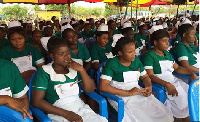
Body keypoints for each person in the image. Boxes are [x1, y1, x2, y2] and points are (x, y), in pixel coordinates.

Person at [31, 37, 107, 122]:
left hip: (80, 108)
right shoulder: (45, 72)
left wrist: (82, 70)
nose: (66, 57)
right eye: (61, 54)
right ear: (52, 56)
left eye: (68, 52)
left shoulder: (74, 68)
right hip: (58, 112)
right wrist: (67, 114)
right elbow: (36, 101)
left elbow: (90, 89)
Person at [100, 37, 174, 122]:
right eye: (130, 52)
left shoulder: (136, 61)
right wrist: (128, 93)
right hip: (120, 95)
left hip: (137, 92)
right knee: (140, 117)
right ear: (120, 53)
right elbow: (103, 86)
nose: (133, 54)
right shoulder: (112, 64)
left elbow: (145, 77)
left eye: (134, 51)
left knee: (161, 114)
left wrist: (148, 86)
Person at [141, 26, 197, 122]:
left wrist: (191, 73)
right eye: (164, 41)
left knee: (191, 94)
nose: (167, 43)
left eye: (168, 40)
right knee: (183, 101)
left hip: (173, 80)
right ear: (155, 42)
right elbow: (150, 76)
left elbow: (178, 68)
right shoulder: (149, 56)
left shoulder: (167, 54)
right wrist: (166, 84)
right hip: (160, 83)